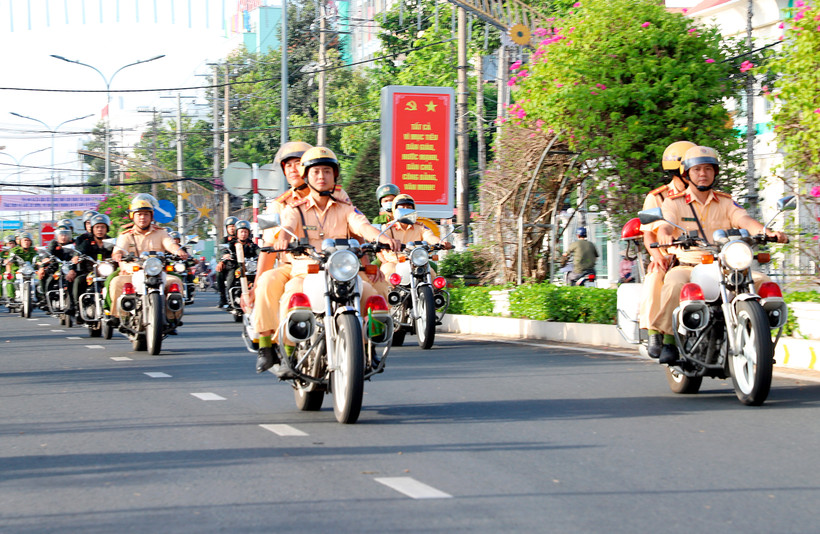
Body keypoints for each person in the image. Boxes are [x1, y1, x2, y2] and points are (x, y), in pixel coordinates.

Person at [256, 146, 400, 376]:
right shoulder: (294, 209)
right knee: (292, 297)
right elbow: (287, 225)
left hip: (342, 270)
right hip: (306, 271)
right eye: (315, 172)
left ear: (335, 176)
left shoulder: (345, 207)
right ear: (306, 176)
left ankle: (369, 346)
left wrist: (382, 238)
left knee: (374, 293)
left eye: (327, 171)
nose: (321, 176)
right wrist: (283, 238)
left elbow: (362, 226)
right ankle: (288, 353)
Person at [652, 146, 788, 364]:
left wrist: (766, 232)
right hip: (689, 264)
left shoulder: (725, 201)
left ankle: (760, 338)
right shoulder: (674, 202)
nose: (703, 174)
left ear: (715, 172)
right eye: (697, 169)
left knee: (763, 282)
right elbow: (665, 225)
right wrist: (666, 235)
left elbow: (744, 220)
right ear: (687, 174)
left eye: (708, 169)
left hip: (726, 264)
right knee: (674, 283)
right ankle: (669, 341)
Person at [249, 141, 349, 371]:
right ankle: (267, 346)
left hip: (331, 263)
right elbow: (269, 246)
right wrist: (255, 284)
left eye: (298, 163)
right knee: (266, 283)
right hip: (291, 264)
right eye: (288, 165)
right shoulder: (279, 204)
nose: (293, 169)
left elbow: (355, 228)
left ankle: (365, 345)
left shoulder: (337, 194)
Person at [639, 141, 696, 357]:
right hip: (669, 256)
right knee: (656, 276)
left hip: (701, 255)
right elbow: (648, 234)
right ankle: (656, 331)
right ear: (678, 172)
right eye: (692, 169)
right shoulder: (657, 197)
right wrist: (658, 256)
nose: (698, 174)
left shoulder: (704, 195)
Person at [109, 193, 189, 321]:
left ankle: (171, 318)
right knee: (115, 282)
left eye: (146, 214)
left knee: (176, 281)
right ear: (132, 216)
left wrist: (178, 251)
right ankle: (120, 317)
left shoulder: (161, 232)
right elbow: (119, 249)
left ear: (151, 216)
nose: (142, 217)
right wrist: (118, 254)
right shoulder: (126, 235)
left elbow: (170, 244)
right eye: (139, 214)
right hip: (132, 273)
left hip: (158, 273)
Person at [373, 193, 452, 296]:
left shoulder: (420, 227)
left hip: (416, 262)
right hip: (394, 262)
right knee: (387, 273)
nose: (406, 210)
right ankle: (388, 302)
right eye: (402, 207)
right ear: (395, 210)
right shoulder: (387, 227)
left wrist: (441, 242)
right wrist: (386, 243)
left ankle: (435, 300)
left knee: (432, 276)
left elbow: (429, 236)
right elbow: (382, 239)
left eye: (409, 207)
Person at [72, 213, 113, 322]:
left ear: (107, 228)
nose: (100, 230)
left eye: (102, 227)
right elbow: (79, 251)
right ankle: (78, 308)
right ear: (92, 229)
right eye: (97, 227)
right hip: (91, 272)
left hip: (107, 272)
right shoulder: (87, 242)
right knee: (78, 281)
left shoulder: (111, 241)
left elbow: (118, 251)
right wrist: (77, 257)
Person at [224, 220, 259, 305]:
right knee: (231, 276)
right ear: (237, 233)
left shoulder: (252, 245)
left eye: (245, 232)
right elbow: (225, 251)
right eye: (241, 232)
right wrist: (227, 255)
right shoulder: (231, 244)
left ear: (249, 233)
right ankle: (230, 299)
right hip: (236, 266)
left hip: (250, 267)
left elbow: (259, 251)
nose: (243, 234)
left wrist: (263, 253)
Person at [3, 232, 39, 300]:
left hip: (30, 271)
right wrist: (8, 271)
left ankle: (40, 296)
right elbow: (9, 262)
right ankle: (11, 297)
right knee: (10, 278)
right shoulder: (15, 250)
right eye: (24, 240)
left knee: (40, 278)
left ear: (31, 242)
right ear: (20, 242)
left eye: (28, 240)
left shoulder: (33, 250)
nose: (26, 242)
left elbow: (38, 259)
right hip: (17, 271)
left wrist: (40, 264)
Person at [215, 216, 239, 308]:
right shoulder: (224, 240)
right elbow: (220, 252)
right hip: (227, 265)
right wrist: (220, 262)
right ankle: (223, 298)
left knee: (230, 281)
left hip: (238, 265)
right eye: (229, 227)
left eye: (233, 226)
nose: (232, 228)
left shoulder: (241, 238)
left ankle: (231, 300)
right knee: (218, 272)